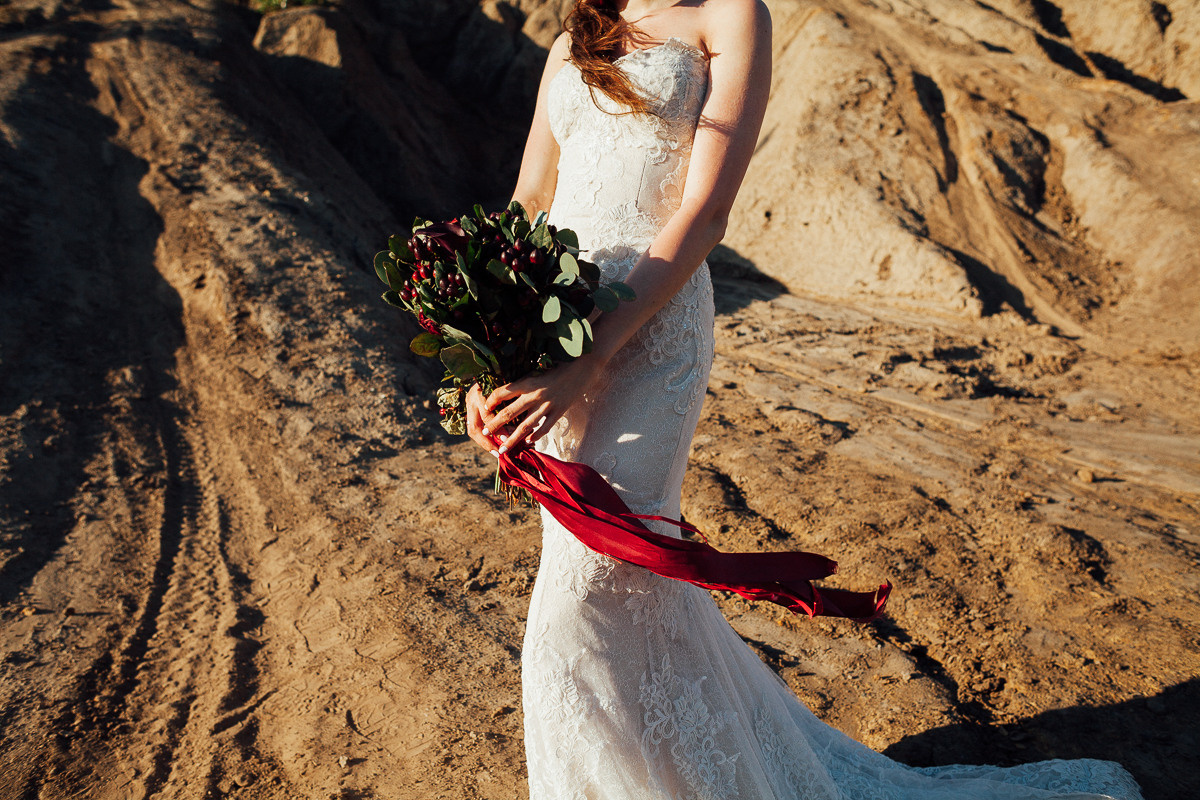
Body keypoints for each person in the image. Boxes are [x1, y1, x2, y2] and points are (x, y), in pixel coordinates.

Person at [465, 1, 1145, 798]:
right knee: (628, 583)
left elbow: (708, 211)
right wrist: (486, 352)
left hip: (650, 335)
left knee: (594, 581)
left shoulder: (728, 14)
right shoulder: (568, 44)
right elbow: (528, 198)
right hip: (552, 336)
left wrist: (592, 356)